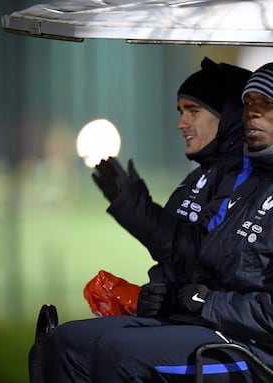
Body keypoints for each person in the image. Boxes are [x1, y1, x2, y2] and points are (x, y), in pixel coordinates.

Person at [35, 60, 273, 383]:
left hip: (272, 356)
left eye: (268, 103)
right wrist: (169, 297)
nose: (252, 113)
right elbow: (208, 264)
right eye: (248, 102)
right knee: (64, 345)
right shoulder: (257, 178)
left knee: (118, 354)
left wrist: (209, 303)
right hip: (221, 329)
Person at [90, 57, 253, 288]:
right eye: (181, 111)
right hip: (176, 311)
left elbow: (200, 258)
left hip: (202, 317)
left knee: (69, 328)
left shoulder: (243, 173)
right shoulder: (204, 173)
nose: (181, 123)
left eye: (193, 111)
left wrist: (135, 208)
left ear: (228, 115)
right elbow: (171, 253)